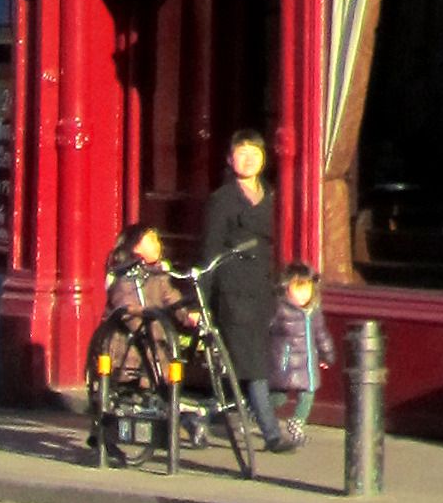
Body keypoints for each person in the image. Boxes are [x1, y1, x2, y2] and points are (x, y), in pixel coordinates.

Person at [201, 129, 293, 454]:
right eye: (241, 152)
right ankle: (271, 432)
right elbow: (209, 250)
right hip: (233, 287)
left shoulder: (271, 195)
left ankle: (199, 417)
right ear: (230, 159)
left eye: (254, 152)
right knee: (250, 363)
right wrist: (203, 299)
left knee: (241, 366)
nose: (248, 158)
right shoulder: (222, 199)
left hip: (262, 290)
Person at [93, 223, 208, 449]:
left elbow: (172, 299)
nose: (157, 245)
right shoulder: (123, 275)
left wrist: (188, 315)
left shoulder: (158, 275)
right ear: (135, 247)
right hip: (125, 344)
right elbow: (126, 309)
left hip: (152, 339)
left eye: (157, 240)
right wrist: (147, 323)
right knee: (154, 364)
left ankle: (178, 420)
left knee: (166, 367)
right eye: (151, 240)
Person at [268, 262, 335, 445]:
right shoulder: (278, 309)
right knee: (278, 397)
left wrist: (327, 355)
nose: (304, 295)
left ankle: (297, 423)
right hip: (284, 361)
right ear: (286, 288)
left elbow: (321, 334)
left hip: (306, 362)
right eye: (299, 289)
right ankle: (254, 412)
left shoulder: (313, 311)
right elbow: (265, 331)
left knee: (308, 392)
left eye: (308, 290)